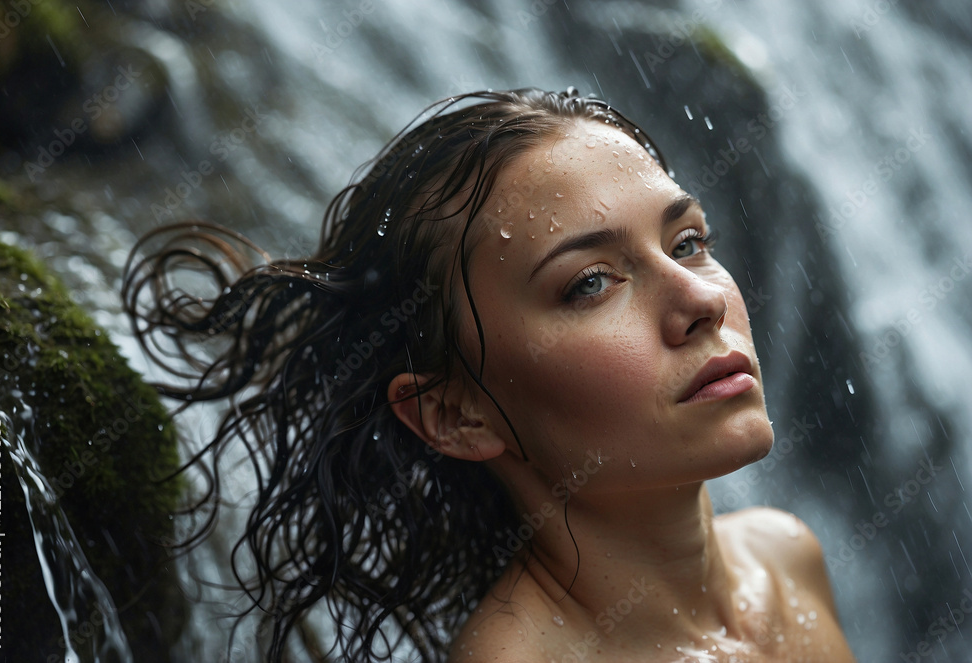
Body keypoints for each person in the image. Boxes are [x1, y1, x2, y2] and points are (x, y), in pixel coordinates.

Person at [123, 88, 856, 662]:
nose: (701, 301)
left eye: (687, 242)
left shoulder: (784, 554)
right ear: (455, 414)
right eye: (590, 283)